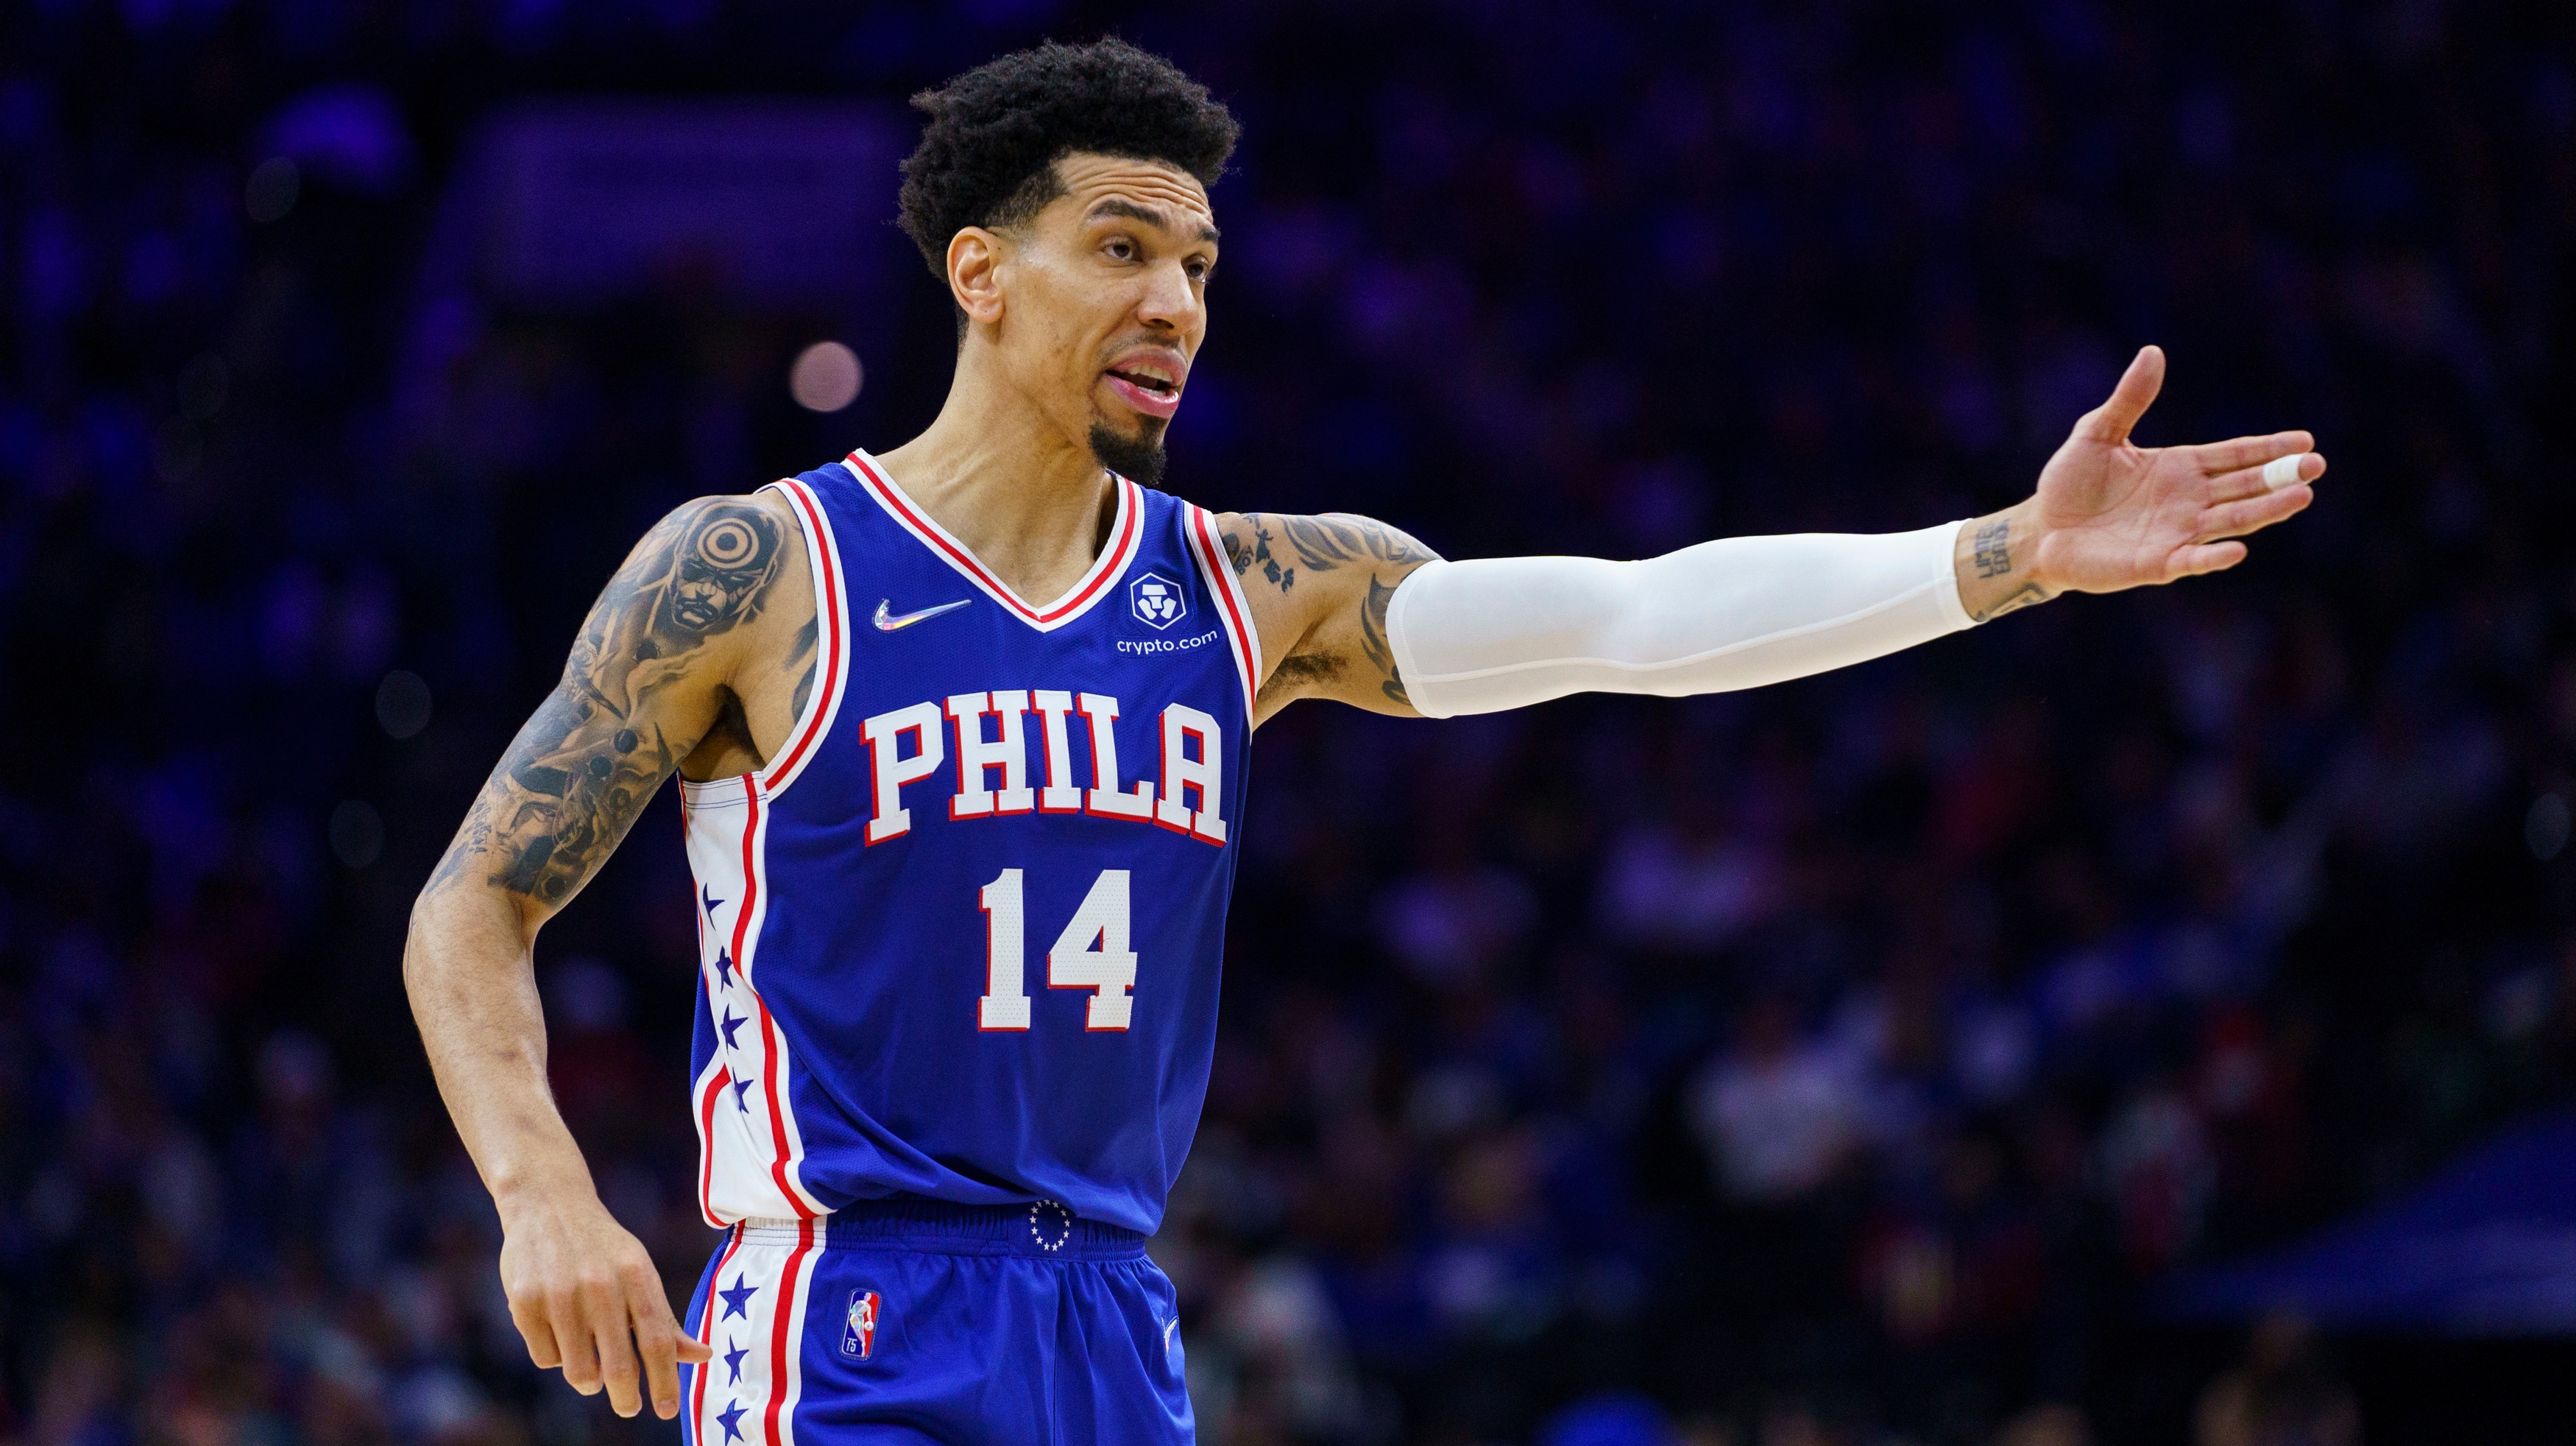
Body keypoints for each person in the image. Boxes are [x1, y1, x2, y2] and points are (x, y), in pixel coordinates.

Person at [400, 38, 2324, 1445]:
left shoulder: (1258, 588)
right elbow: (471, 903)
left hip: (1116, 1321)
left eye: (1202, 267)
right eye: (1122, 247)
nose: (1175, 300)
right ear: (978, 273)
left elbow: (1629, 624)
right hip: (852, 1310)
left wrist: (2000, 555)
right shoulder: (759, 566)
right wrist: (546, 1191)